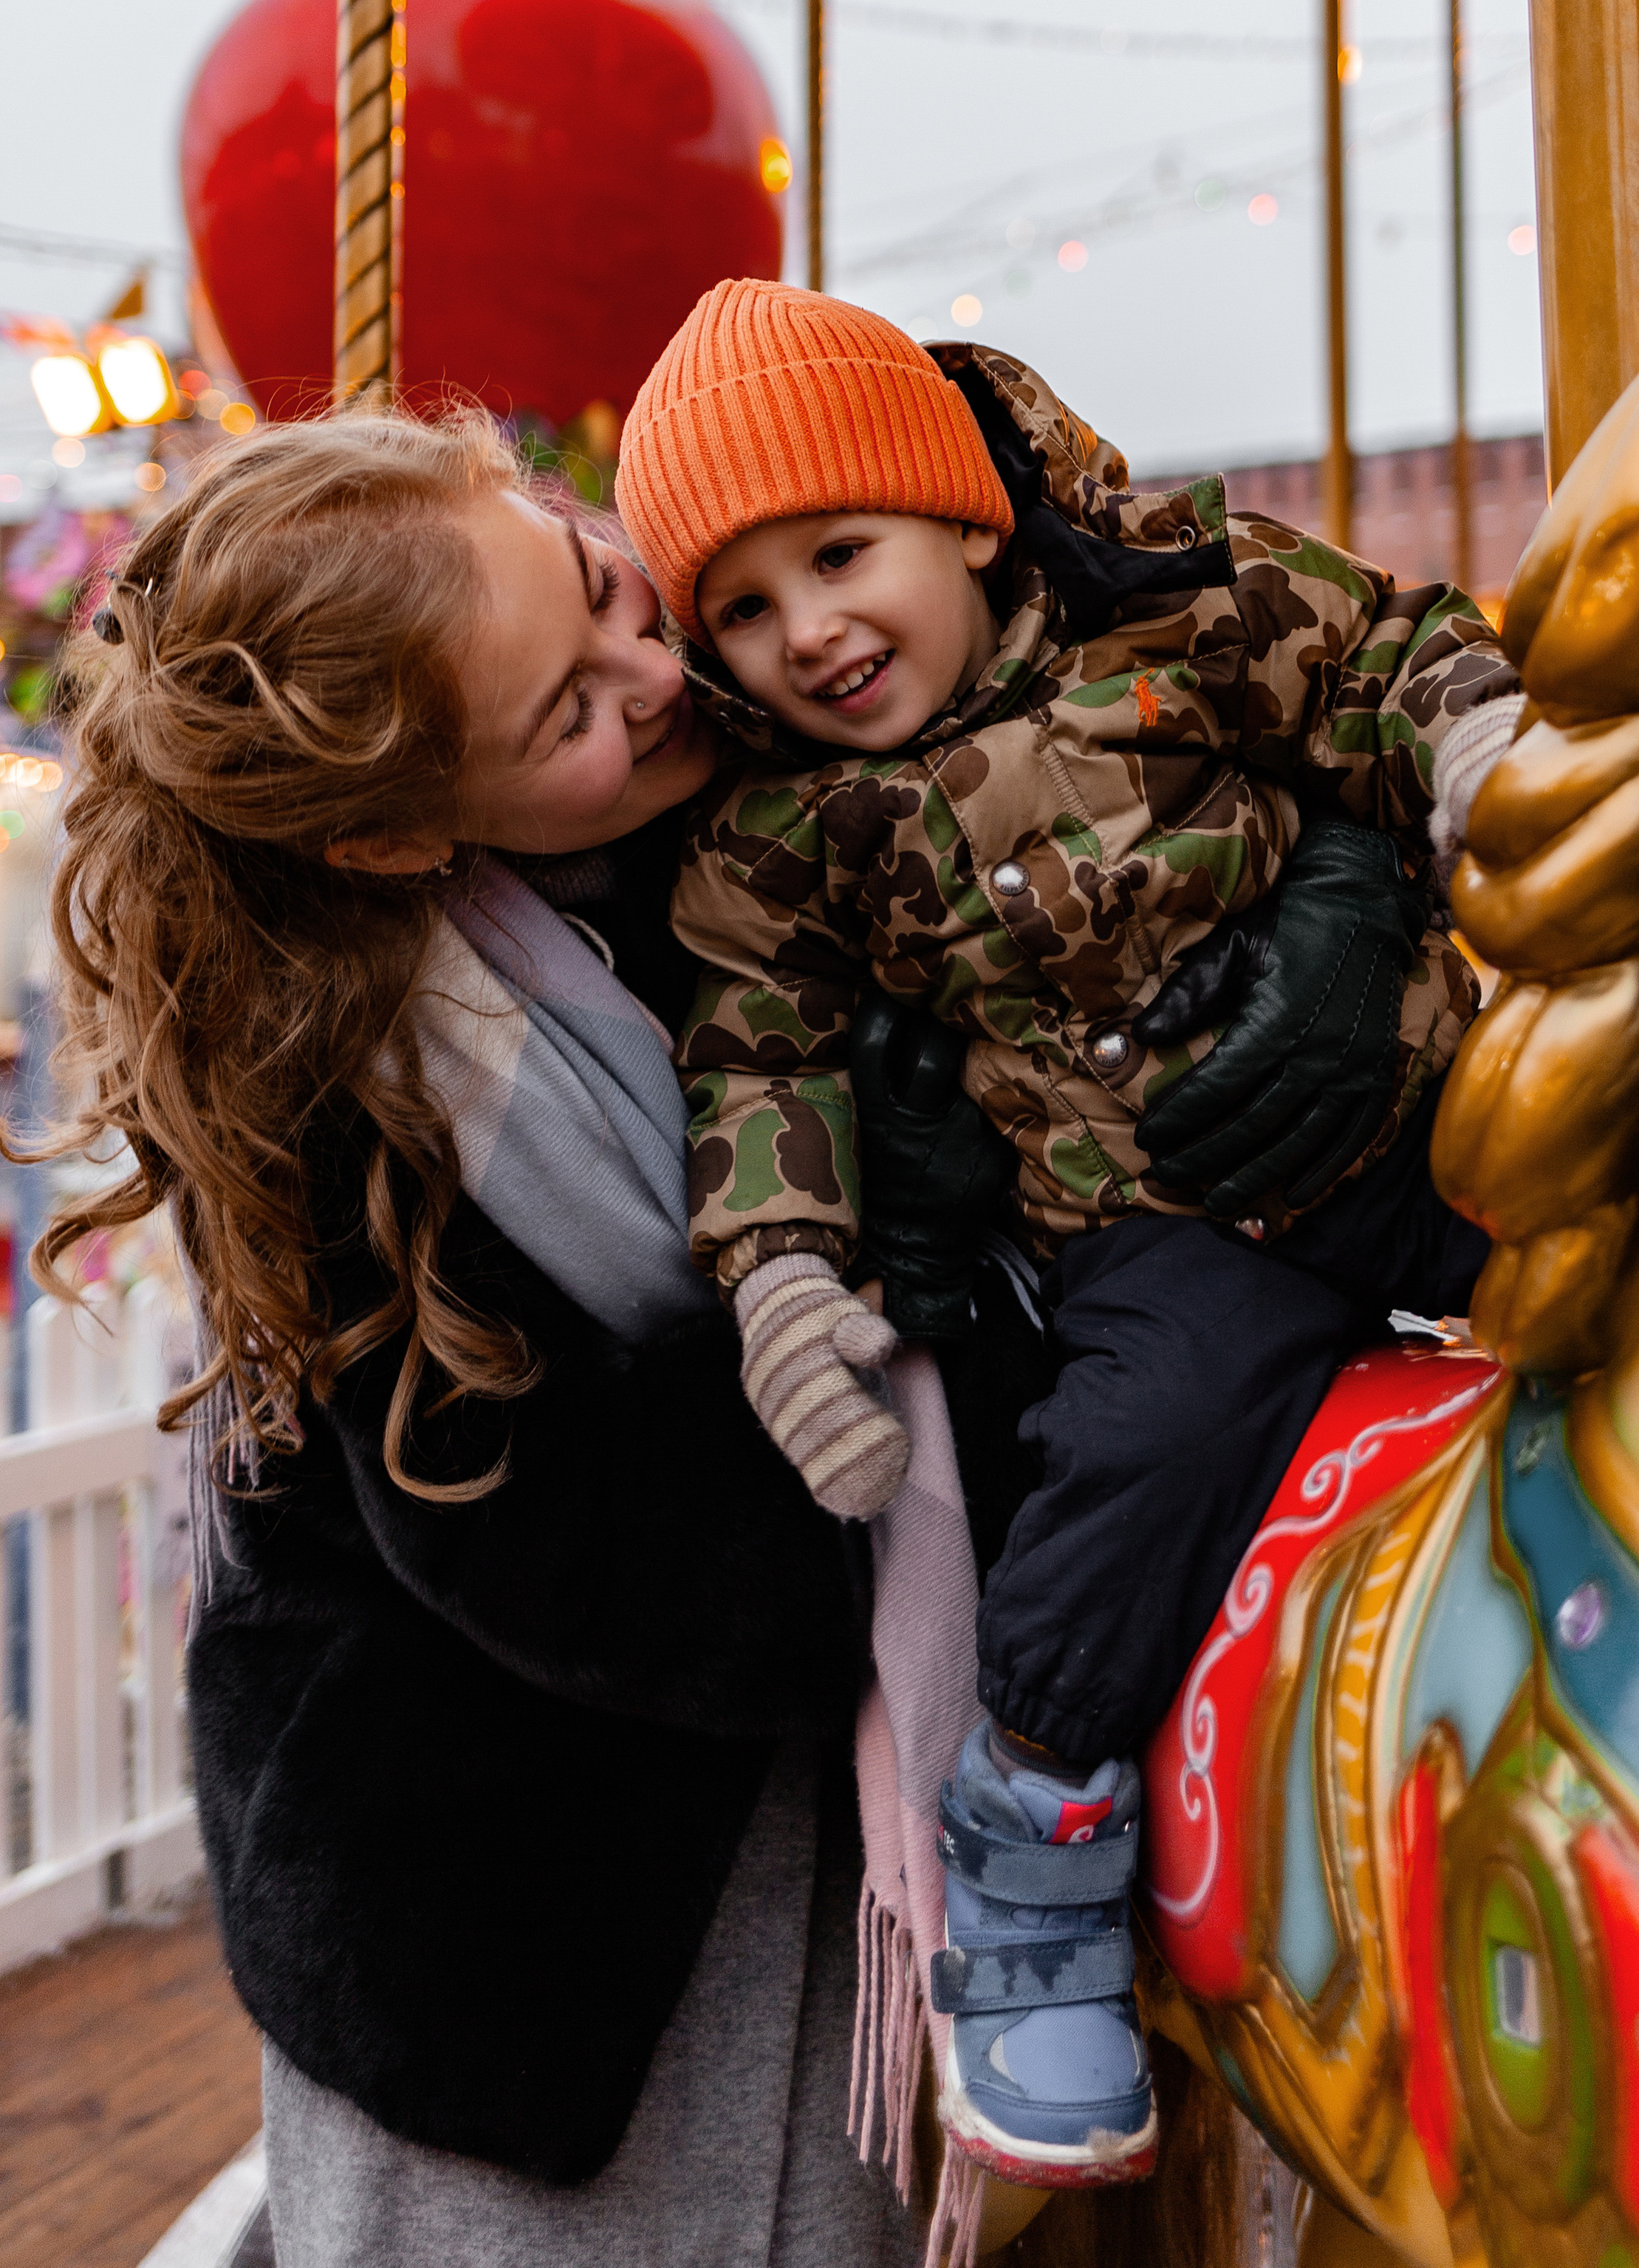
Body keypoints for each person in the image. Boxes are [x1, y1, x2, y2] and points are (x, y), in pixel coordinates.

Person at [22, 403, 1383, 2267]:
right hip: (535, 1925)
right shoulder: (345, 1107)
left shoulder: (787, 744)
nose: (659, 671)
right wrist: (919, 1271)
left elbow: (1184, 676)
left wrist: (1338, 886)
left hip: (798, 1828)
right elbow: (617, 1573)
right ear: (398, 831)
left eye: (602, 586)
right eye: (565, 712)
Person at [615, 279, 1522, 2192]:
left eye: (840, 554)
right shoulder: (785, 840)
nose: (811, 635)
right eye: (747, 613)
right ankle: (1033, 1838)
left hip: (1414, 1104)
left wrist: (1473, 765)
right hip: (1158, 1219)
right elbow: (752, 1061)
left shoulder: (1180, 606)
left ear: (962, 516)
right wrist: (781, 1275)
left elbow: (1387, 653)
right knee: (1143, 1447)